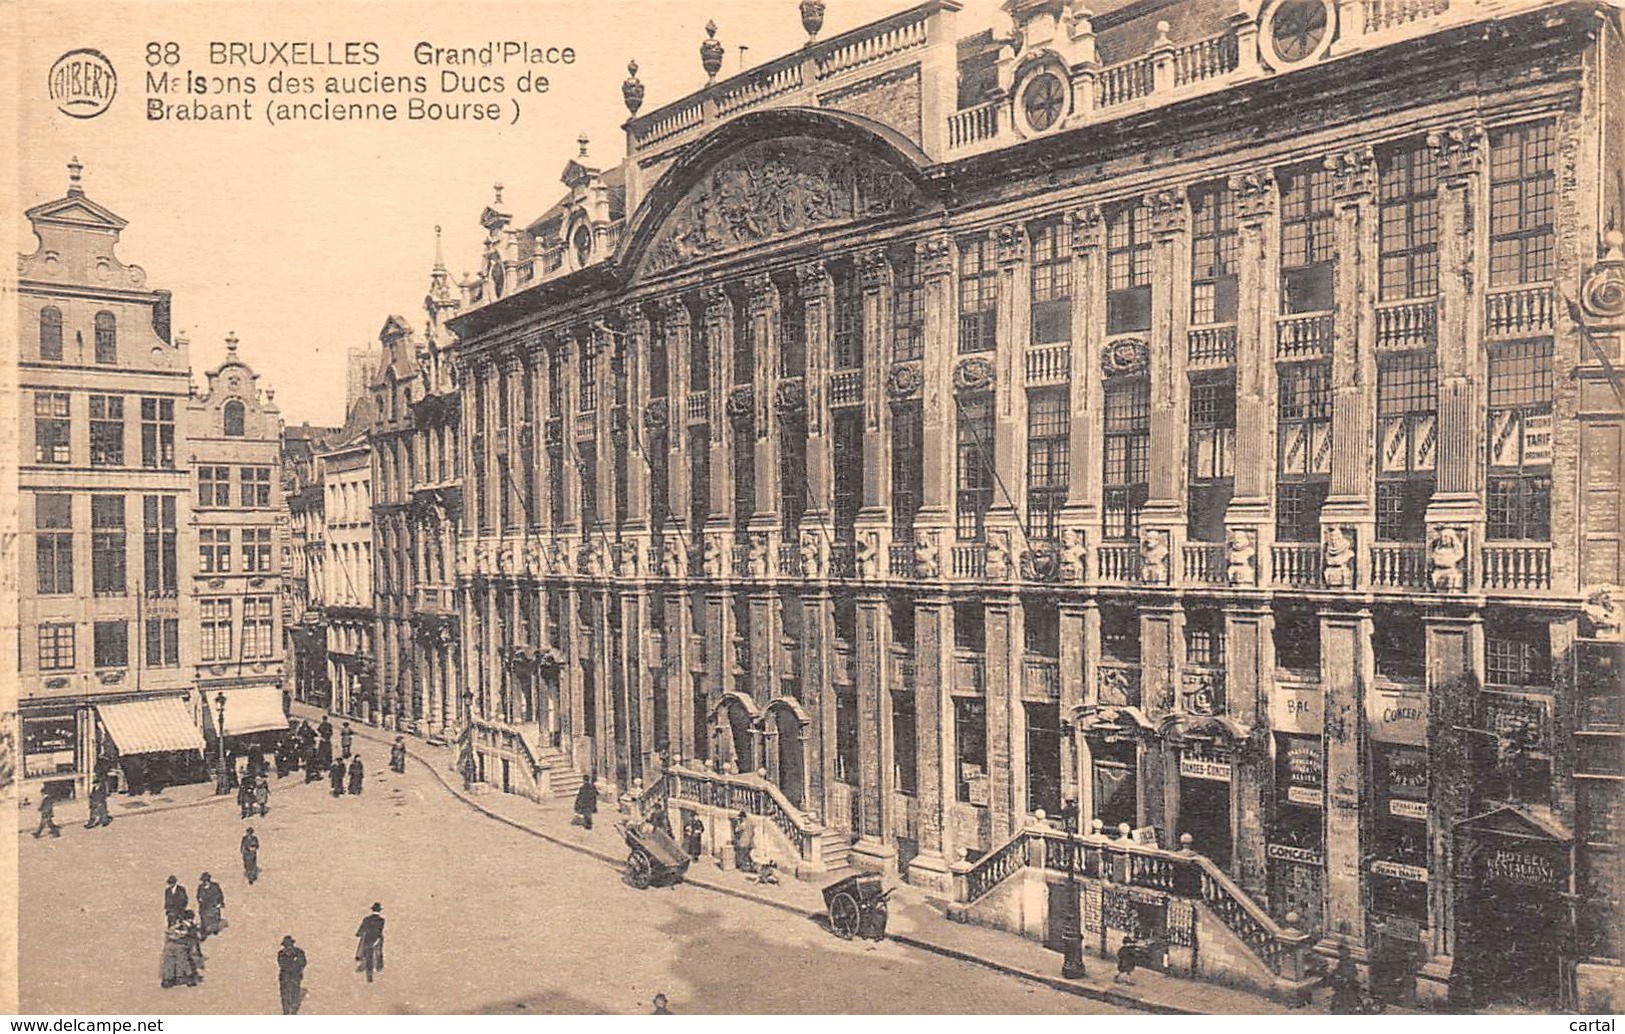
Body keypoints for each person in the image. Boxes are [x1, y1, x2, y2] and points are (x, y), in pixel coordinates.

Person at [160, 912, 201, 988]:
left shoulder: (176, 925)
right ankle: (187, 978)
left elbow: (169, 934)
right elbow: (193, 939)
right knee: (183, 962)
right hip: (181, 946)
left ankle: (168, 979)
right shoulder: (189, 927)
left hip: (170, 946)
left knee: (170, 962)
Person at [355, 903, 385, 983]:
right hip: (377, 938)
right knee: (378, 952)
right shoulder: (381, 920)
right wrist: (378, 939)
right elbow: (380, 930)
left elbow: (361, 929)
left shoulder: (367, 919)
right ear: (379, 910)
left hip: (368, 939)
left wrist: (358, 934)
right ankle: (379, 966)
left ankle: (369, 975)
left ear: (372, 910)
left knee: (369, 956)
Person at [277, 935, 307, 1014]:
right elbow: (282, 964)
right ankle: (286, 1012)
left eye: (289, 944)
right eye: (286, 945)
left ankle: (293, 1011)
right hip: (285, 978)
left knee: (295, 994)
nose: (288, 947)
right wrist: (294, 965)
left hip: (295, 977)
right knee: (285, 996)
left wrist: (295, 968)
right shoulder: (281, 953)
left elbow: (302, 962)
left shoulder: (299, 952)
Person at [196, 873, 226, 939]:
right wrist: (199, 899)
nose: (205, 882)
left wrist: (219, 903)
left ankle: (215, 929)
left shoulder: (215, 886)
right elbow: (198, 896)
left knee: (214, 917)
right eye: (203, 881)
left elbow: (220, 895)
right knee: (204, 917)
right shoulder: (200, 887)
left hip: (213, 906)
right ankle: (204, 932)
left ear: (208, 881)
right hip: (204, 906)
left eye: (206, 881)